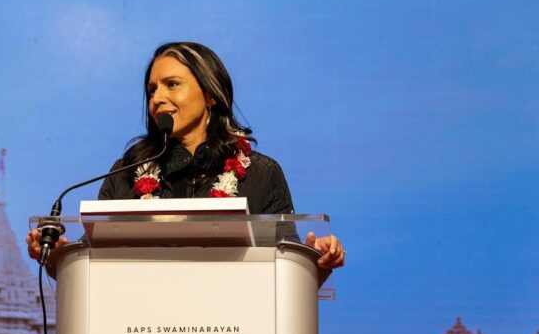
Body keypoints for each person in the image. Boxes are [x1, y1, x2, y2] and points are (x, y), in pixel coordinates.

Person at [26, 41, 345, 280]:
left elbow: (288, 272)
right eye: (152, 90)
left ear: (210, 95)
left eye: (172, 85)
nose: (157, 98)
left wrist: (318, 263)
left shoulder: (261, 173)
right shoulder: (126, 172)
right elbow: (91, 265)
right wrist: (56, 259)